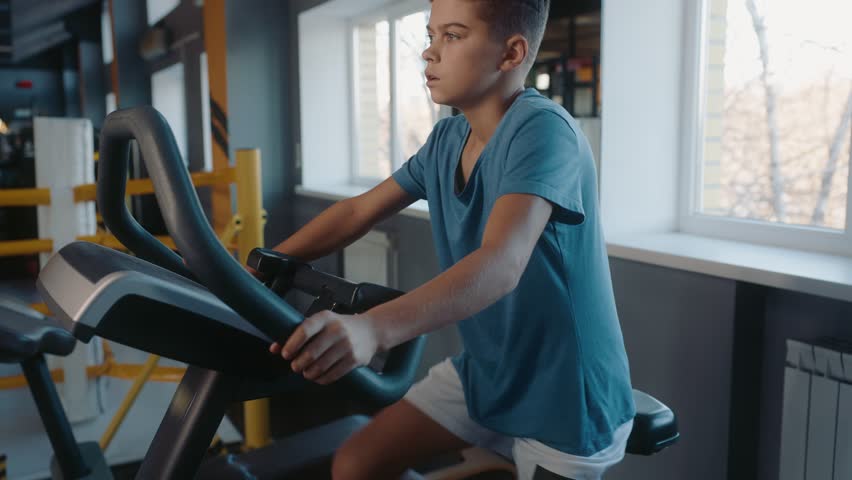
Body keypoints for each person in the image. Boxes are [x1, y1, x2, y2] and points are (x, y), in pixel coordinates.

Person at [266, 0, 635, 478]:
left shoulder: (543, 131)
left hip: (566, 396)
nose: (428, 54)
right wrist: (261, 264)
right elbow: (357, 211)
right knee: (356, 465)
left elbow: (501, 263)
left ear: (511, 53)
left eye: (453, 36)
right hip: (488, 372)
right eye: (431, 34)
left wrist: (372, 328)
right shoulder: (447, 140)